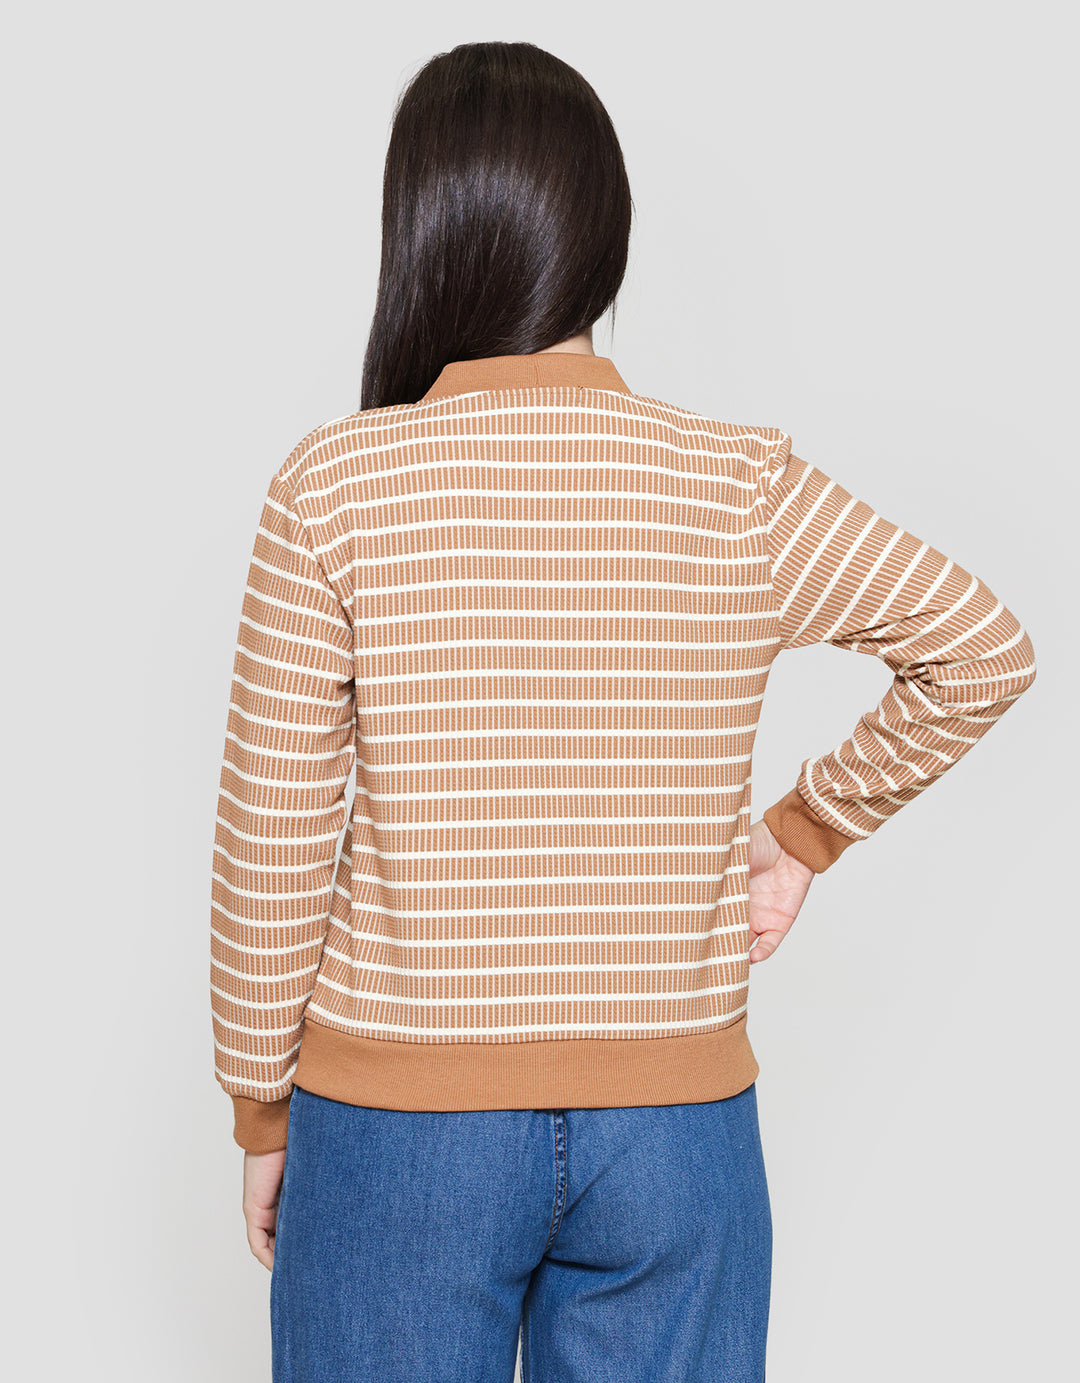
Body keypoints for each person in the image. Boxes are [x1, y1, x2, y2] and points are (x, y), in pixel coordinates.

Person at [209, 40, 1037, 1383]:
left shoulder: (336, 487)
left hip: (402, 1122)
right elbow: (981, 649)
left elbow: (273, 832)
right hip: (674, 1127)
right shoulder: (732, 481)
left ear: (422, 233)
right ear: (603, 237)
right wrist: (806, 835)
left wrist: (261, 1106)